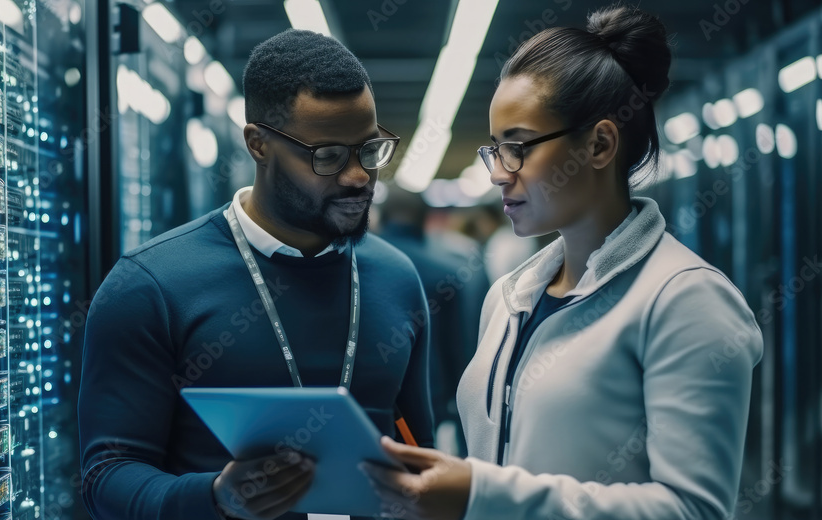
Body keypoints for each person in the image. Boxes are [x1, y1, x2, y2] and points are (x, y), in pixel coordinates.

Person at [361, 6, 763, 520]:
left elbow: (693, 510)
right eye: (494, 150)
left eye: (518, 147)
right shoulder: (508, 297)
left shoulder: (685, 300)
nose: (498, 175)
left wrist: (480, 495)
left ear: (599, 144)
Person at [79, 29, 434, 520]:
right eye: (328, 156)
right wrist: (215, 496)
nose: (358, 176)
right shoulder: (152, 285)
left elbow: (421, 450)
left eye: (369, 151)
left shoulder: (396, 277)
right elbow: (107, 476)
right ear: (258, 144)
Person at [379, 187, 488, 457]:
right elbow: (458, 347)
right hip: (429, 395)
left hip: (369, 393)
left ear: (382, 216)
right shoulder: (446, 273)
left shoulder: (358, 264)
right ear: (425, 219)